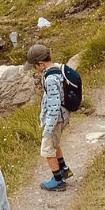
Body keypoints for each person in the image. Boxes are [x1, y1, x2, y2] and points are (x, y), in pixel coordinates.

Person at [25, 43, 73, 191]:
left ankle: (58, 180)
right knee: (55, 143)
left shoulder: (50, 79)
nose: (35, 69)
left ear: (41, 63)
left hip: (55, 119)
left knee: (47, 149)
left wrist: (48, 127)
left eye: (35, 66)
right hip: (62, 116)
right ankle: (64, 169)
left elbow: (54, 104)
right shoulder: (57, 70)